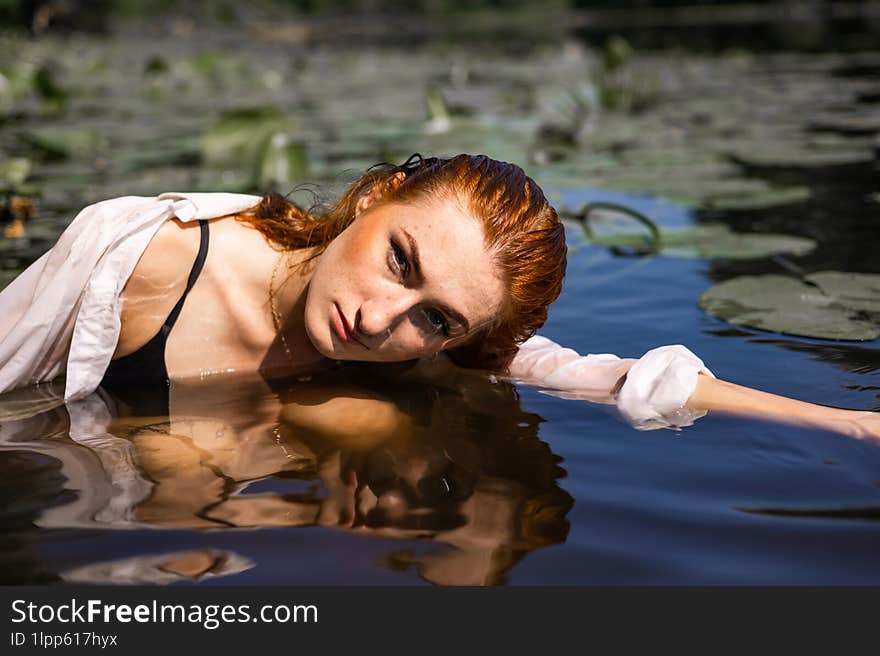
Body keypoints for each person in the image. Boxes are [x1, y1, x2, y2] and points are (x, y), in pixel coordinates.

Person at [0, 153, 877, 438]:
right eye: (399, 261)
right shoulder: (147, 254)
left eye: (434, 319)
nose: (378, 320)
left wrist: (855, 425)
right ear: (377, 196)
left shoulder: (427, 351)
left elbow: (617, 379)